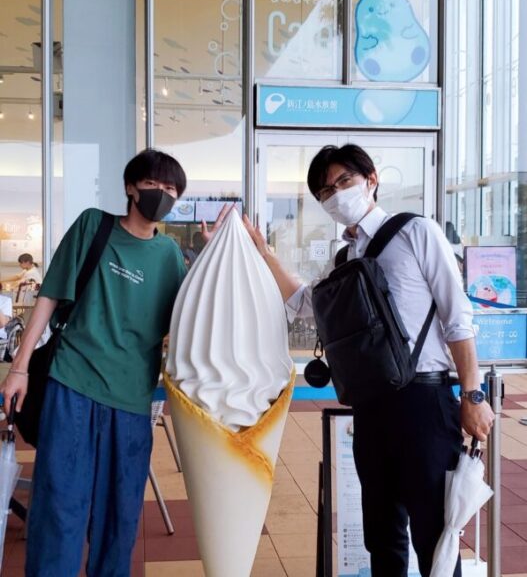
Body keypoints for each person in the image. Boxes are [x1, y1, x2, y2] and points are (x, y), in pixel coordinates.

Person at [243, 144, 495, 577]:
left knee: (435, 535)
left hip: (423, 402)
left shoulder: (417, 232)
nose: (336, 194)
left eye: (344, 181)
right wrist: (263, 252)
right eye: (326, 191)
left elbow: (457, 317)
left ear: (371, 180)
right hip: (371, 409)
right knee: (381, 534)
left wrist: (472, 395)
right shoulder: (346, 258)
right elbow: (306, 304)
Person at [0, 148, 227, 577]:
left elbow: (191, 324)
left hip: (132, 401)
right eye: (152, 184)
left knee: (119, 520)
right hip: (72, 386)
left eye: (171, 188)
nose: (161, 193)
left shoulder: (170, 256)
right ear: (130, 187)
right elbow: (48, 297)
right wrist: (19, 368)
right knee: (59, 507)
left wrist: (213, 259)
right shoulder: (94, 226)